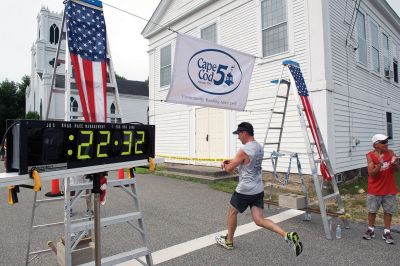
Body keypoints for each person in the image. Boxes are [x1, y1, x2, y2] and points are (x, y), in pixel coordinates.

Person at [215, 122, 303, 256]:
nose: (238, 137)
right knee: (259, 219)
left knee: (232, 212)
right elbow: (245, 162)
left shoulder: (243, 150)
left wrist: (224, 165)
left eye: (239, 134)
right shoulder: (259, 147)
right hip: (257, 189)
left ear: (244, 133)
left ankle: (229, 241)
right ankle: (286, 235)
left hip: (244, 190)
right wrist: (233, 161)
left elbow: (230, 169)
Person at [363, 134, 399, 244]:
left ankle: (387, 232)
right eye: (383, 142)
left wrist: (395, 163)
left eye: (386, 142)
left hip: (389, 188)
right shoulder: (370, 155)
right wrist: (380, 164)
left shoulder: (391, 153)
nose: (386, 144)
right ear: (376, 145)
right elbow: (371, 173)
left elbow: (398, 169)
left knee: (388, 211)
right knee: (372, 210)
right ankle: (371, 230)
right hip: (375, 189)